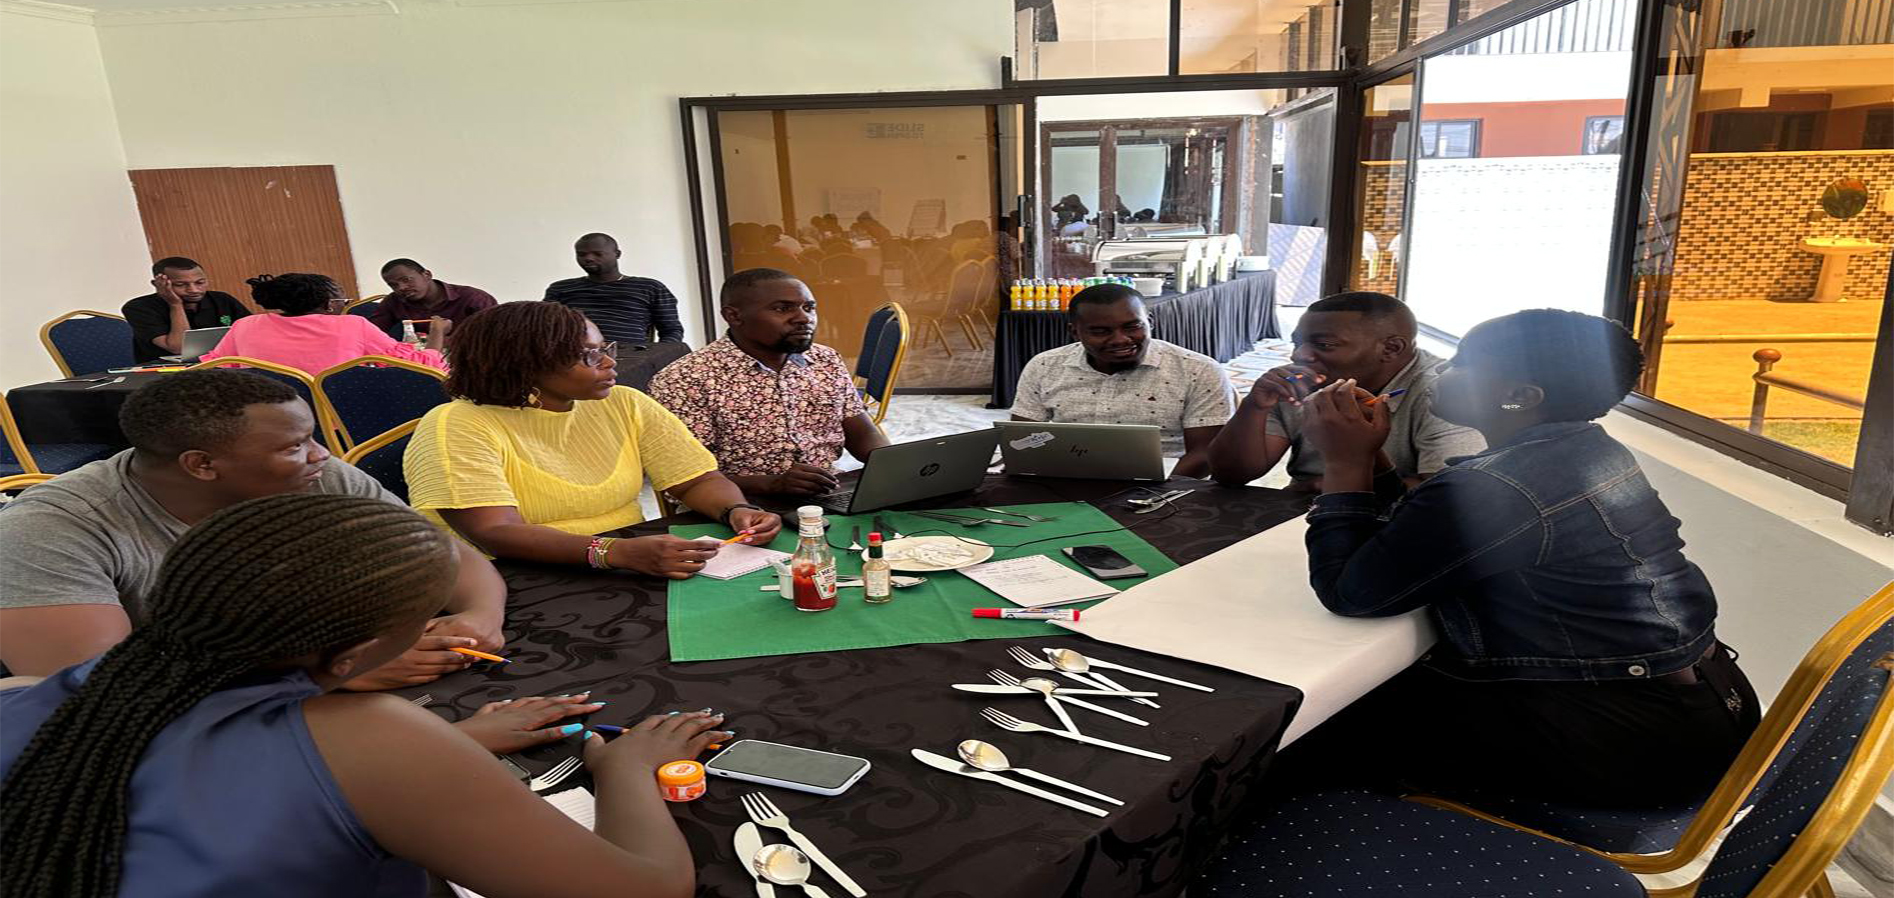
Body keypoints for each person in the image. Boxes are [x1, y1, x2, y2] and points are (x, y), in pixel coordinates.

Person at [0, 492, 732, 898]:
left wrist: (452, 743)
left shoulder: (32, 695)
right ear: (352, 659)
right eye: (427, 620)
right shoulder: (373, 737)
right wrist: (627, 769)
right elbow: (644, 890)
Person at [1285, 309, 1759, 806]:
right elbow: (1423, 537)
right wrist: (1369, 453)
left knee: (1313, 728)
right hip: (1695, 708)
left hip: (1621, 743)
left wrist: (1343, 460)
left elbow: (1352, 593)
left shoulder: (1494, 485)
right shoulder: (1585, 449)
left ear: (1519, 397)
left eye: (1464, 362)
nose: (1443, 368)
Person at [0, 368, 511, 691]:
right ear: (201, 465)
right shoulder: (52, 530)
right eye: (295, 445)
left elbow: (437, 552)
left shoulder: (315, 473)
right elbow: (96, 686)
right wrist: (324, 673)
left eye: (313, 437)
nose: (322, 456)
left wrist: (480, 615)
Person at [404, 302, 781, 577]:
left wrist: (734, 510)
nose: (609, 363)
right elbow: (495, 533)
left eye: (605, 349)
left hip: (625, 562)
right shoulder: (457, 425)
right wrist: (616, 553)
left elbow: (695, 479)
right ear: (525, 364)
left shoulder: (623, 402)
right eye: (589, 356)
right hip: (508, 579)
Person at [1208, 291, 1482, 490]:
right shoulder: (1295, 383)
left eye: (1324, 345)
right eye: (1297, 343)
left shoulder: (1442, 391)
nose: (1299, 355)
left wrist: (1330, 485)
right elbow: (1231, 474)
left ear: (1391, 348)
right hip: (1307, 519)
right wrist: (1254, 407)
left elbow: (1446, 495)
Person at [650, 269, 889, 497]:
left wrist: (894, 465)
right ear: (734, 316)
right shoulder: (685, 379)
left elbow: (862, 432)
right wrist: (771, 484)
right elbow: (685, 477)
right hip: (736, 505)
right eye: (782, 309)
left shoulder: (824, 360)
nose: (803, 318)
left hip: (827, 494)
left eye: (809, 308)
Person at [1010, 283, 1235, 478]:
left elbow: (1205, 453)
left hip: (1166, 487)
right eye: (1100, 331)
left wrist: (1154, 491)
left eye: (1132, 326)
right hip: (1068, 479)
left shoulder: (1197, 370)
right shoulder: (1045, 366)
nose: (1120, 340)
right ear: (1075, 332)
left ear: (1150, 322)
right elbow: (1021, 441)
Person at [200, 273, 447, 373]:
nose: (345, 305)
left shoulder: (245, 325)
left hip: (268, 424)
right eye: (343, 301)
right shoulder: (352, 325)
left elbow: (214, 369)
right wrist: (437, 333)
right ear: (329, 305)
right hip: (340, 419)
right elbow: (421, 367)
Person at [543, 233, 685, 345]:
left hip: (632, 358)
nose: (588, 258)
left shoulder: (650, 287)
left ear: (617, 254)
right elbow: (543, 327)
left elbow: (672, 331)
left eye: (597, 253)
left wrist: (655, 358)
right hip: (575, 357)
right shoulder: (561, 288)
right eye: (581, 254)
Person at [122, 256, 252, 364]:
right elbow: (179, 347)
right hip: (164, 372)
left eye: (200, 282)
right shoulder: (138, 308)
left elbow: (252, 334)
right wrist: (175, 305)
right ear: (158, 284)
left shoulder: (222, 299)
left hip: (220, 364)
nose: (193, 290)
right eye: (180, 284)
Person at [368, 258, 497, 337]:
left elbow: (494, 337)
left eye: (406, 280)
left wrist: (441, 340)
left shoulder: (474, 298)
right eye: (393, 285)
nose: (401, 288)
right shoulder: (394, 301)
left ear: (427, 275)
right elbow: (370, 333)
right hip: (423, 362)